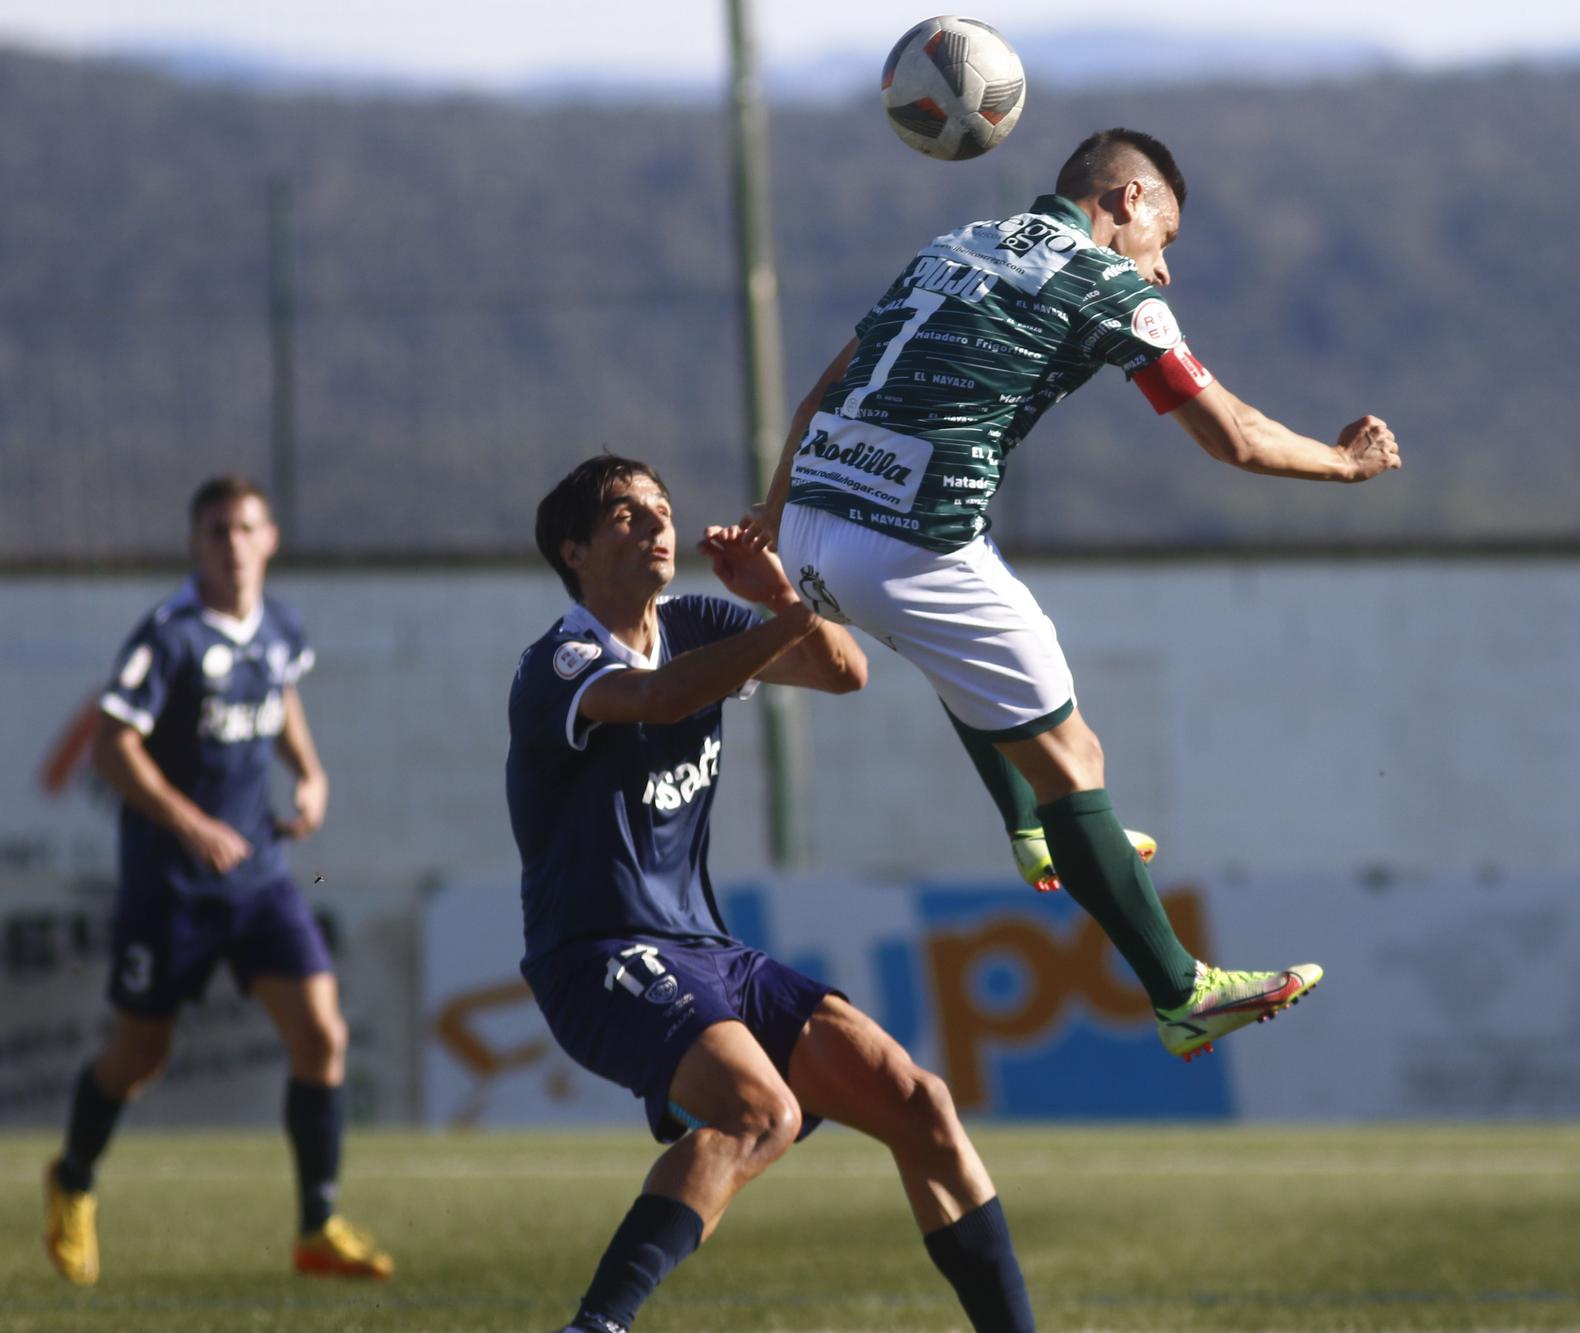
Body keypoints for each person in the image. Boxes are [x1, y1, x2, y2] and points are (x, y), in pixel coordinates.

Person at [757, 127, 1403, 1062]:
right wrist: (1346, 464)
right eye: (1167, 240)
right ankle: (1184, 992)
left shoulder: (953, 244)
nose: (1165, 271)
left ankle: (1031, 829)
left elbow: (821, 391)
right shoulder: (1111, 287)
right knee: (1075, 754)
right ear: (1131, 201)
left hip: (818, 525)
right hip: (913, 539)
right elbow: (1234, 436)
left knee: (981, 655)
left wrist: (778, 520)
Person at [511, 455, 1036, 1333]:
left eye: (663, 508)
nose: (656, 524)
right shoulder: (558, 661)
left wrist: (775, 587)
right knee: (763, 1113)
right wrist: (781, 615)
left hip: (707, 952)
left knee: (923, 1105)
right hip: (597, 954)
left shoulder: (701, 620)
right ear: (575, 550)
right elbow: (662, 697)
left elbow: (844, 672)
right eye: (626, 515)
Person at [42, 476, 392, 1286]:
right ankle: (73, 1178)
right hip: (171, 883)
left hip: (261, 875)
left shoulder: (278, 624)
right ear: (195, 545)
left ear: (269, 539)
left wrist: (308, 772)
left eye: (245, 528)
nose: (232, 543)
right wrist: (192, 822)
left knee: (322, 1035)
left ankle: (317, 1226)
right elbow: (109, 746)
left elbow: (281, 695)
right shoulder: (168, 634)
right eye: (215, 531)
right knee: (140, 1055)